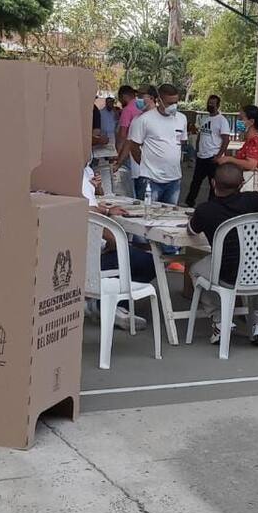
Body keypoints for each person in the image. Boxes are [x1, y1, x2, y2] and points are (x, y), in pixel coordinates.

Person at [188, 163, 258, 347]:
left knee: (195, 270)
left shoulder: (205, 210)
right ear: (242, 184)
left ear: (213, 184)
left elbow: (191, 231)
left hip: (227, 275)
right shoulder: (256, 199)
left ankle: (220, 320)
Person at [82, 163, 154, 331]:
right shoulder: (74, 175)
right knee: (148, 262)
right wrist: (112, 237)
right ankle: (107, 304)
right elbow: (88, 211)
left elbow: (93, 200)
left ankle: (104, 301)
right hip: (94, 250)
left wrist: (98, 190)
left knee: (133, 254)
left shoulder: (84, 171)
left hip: (92, 245)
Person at [127, 83, 186, 205]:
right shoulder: (144, 120)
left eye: (176, 102)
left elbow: (181, 142)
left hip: (174, 180)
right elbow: (134, 146)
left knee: (170, 217)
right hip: (150, 180)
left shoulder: (181, 119)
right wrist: (146, 164)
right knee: (148, 216)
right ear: (159, 100)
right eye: (170, 103)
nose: (174, 106)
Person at [186, 95, 232, 206]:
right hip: (201, 155)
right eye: (209, 103)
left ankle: (212, 204)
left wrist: (219, 155)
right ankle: (190, 201)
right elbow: (201, 135)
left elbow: (226, 139)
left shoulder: (222, 120)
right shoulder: (205, 119)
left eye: (213, 103)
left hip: (213, 156)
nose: (210, 105)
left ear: (217, 105)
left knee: (213, 183)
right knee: (196, 181)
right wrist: (197, 149)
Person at [215, 105, 258, 172]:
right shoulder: (251, 140)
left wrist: (229, 159)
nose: (238, 121)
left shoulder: (255, 141)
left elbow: (251, 165)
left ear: (251, 121)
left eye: (241, 118)